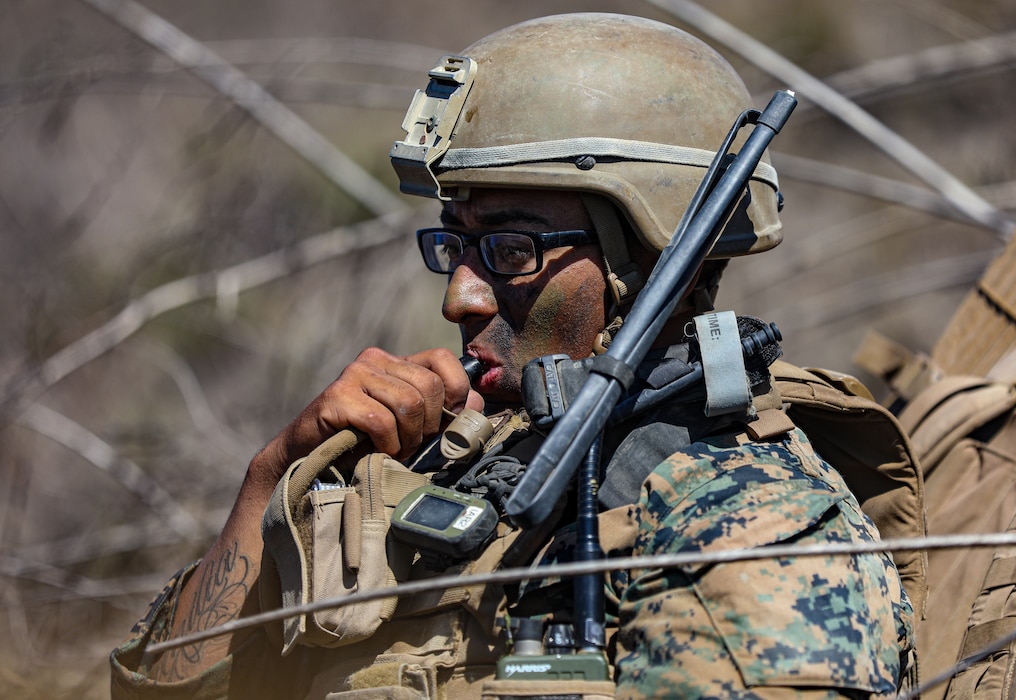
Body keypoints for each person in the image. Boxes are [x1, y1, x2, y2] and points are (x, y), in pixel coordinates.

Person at [111, 13, 916, 699]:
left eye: (510, 247)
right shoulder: (442, 457)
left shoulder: (756, 529)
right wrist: (272, 481)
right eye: (454, 244)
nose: (460, 298)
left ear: (645, 260)